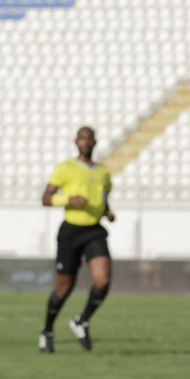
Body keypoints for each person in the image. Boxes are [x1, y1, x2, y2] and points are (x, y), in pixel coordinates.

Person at [38, 126, 113, 353]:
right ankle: (47, 330)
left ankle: (82, 320)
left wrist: (108, 211)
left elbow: (103, 198)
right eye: (82, 138)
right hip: (71, 230)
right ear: (76, 141)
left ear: (95, 142)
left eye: (89, 138)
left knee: (103, 280)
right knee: (64, 287)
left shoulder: (104, 173)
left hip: (94, 230)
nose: (86, 141)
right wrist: (69, 199)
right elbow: (46, 198)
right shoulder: (66, 168)